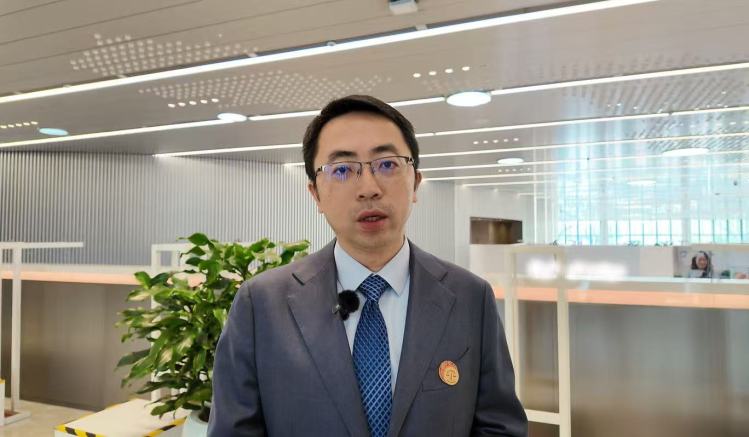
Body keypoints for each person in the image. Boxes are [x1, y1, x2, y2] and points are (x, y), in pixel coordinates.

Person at [208, 95, 527, 436]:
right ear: (316, 194)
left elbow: (499, 427)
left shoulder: (470, 297)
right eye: (342, 170)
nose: (369, 189)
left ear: (415, 182)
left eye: (387, 165)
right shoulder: (261, 305)